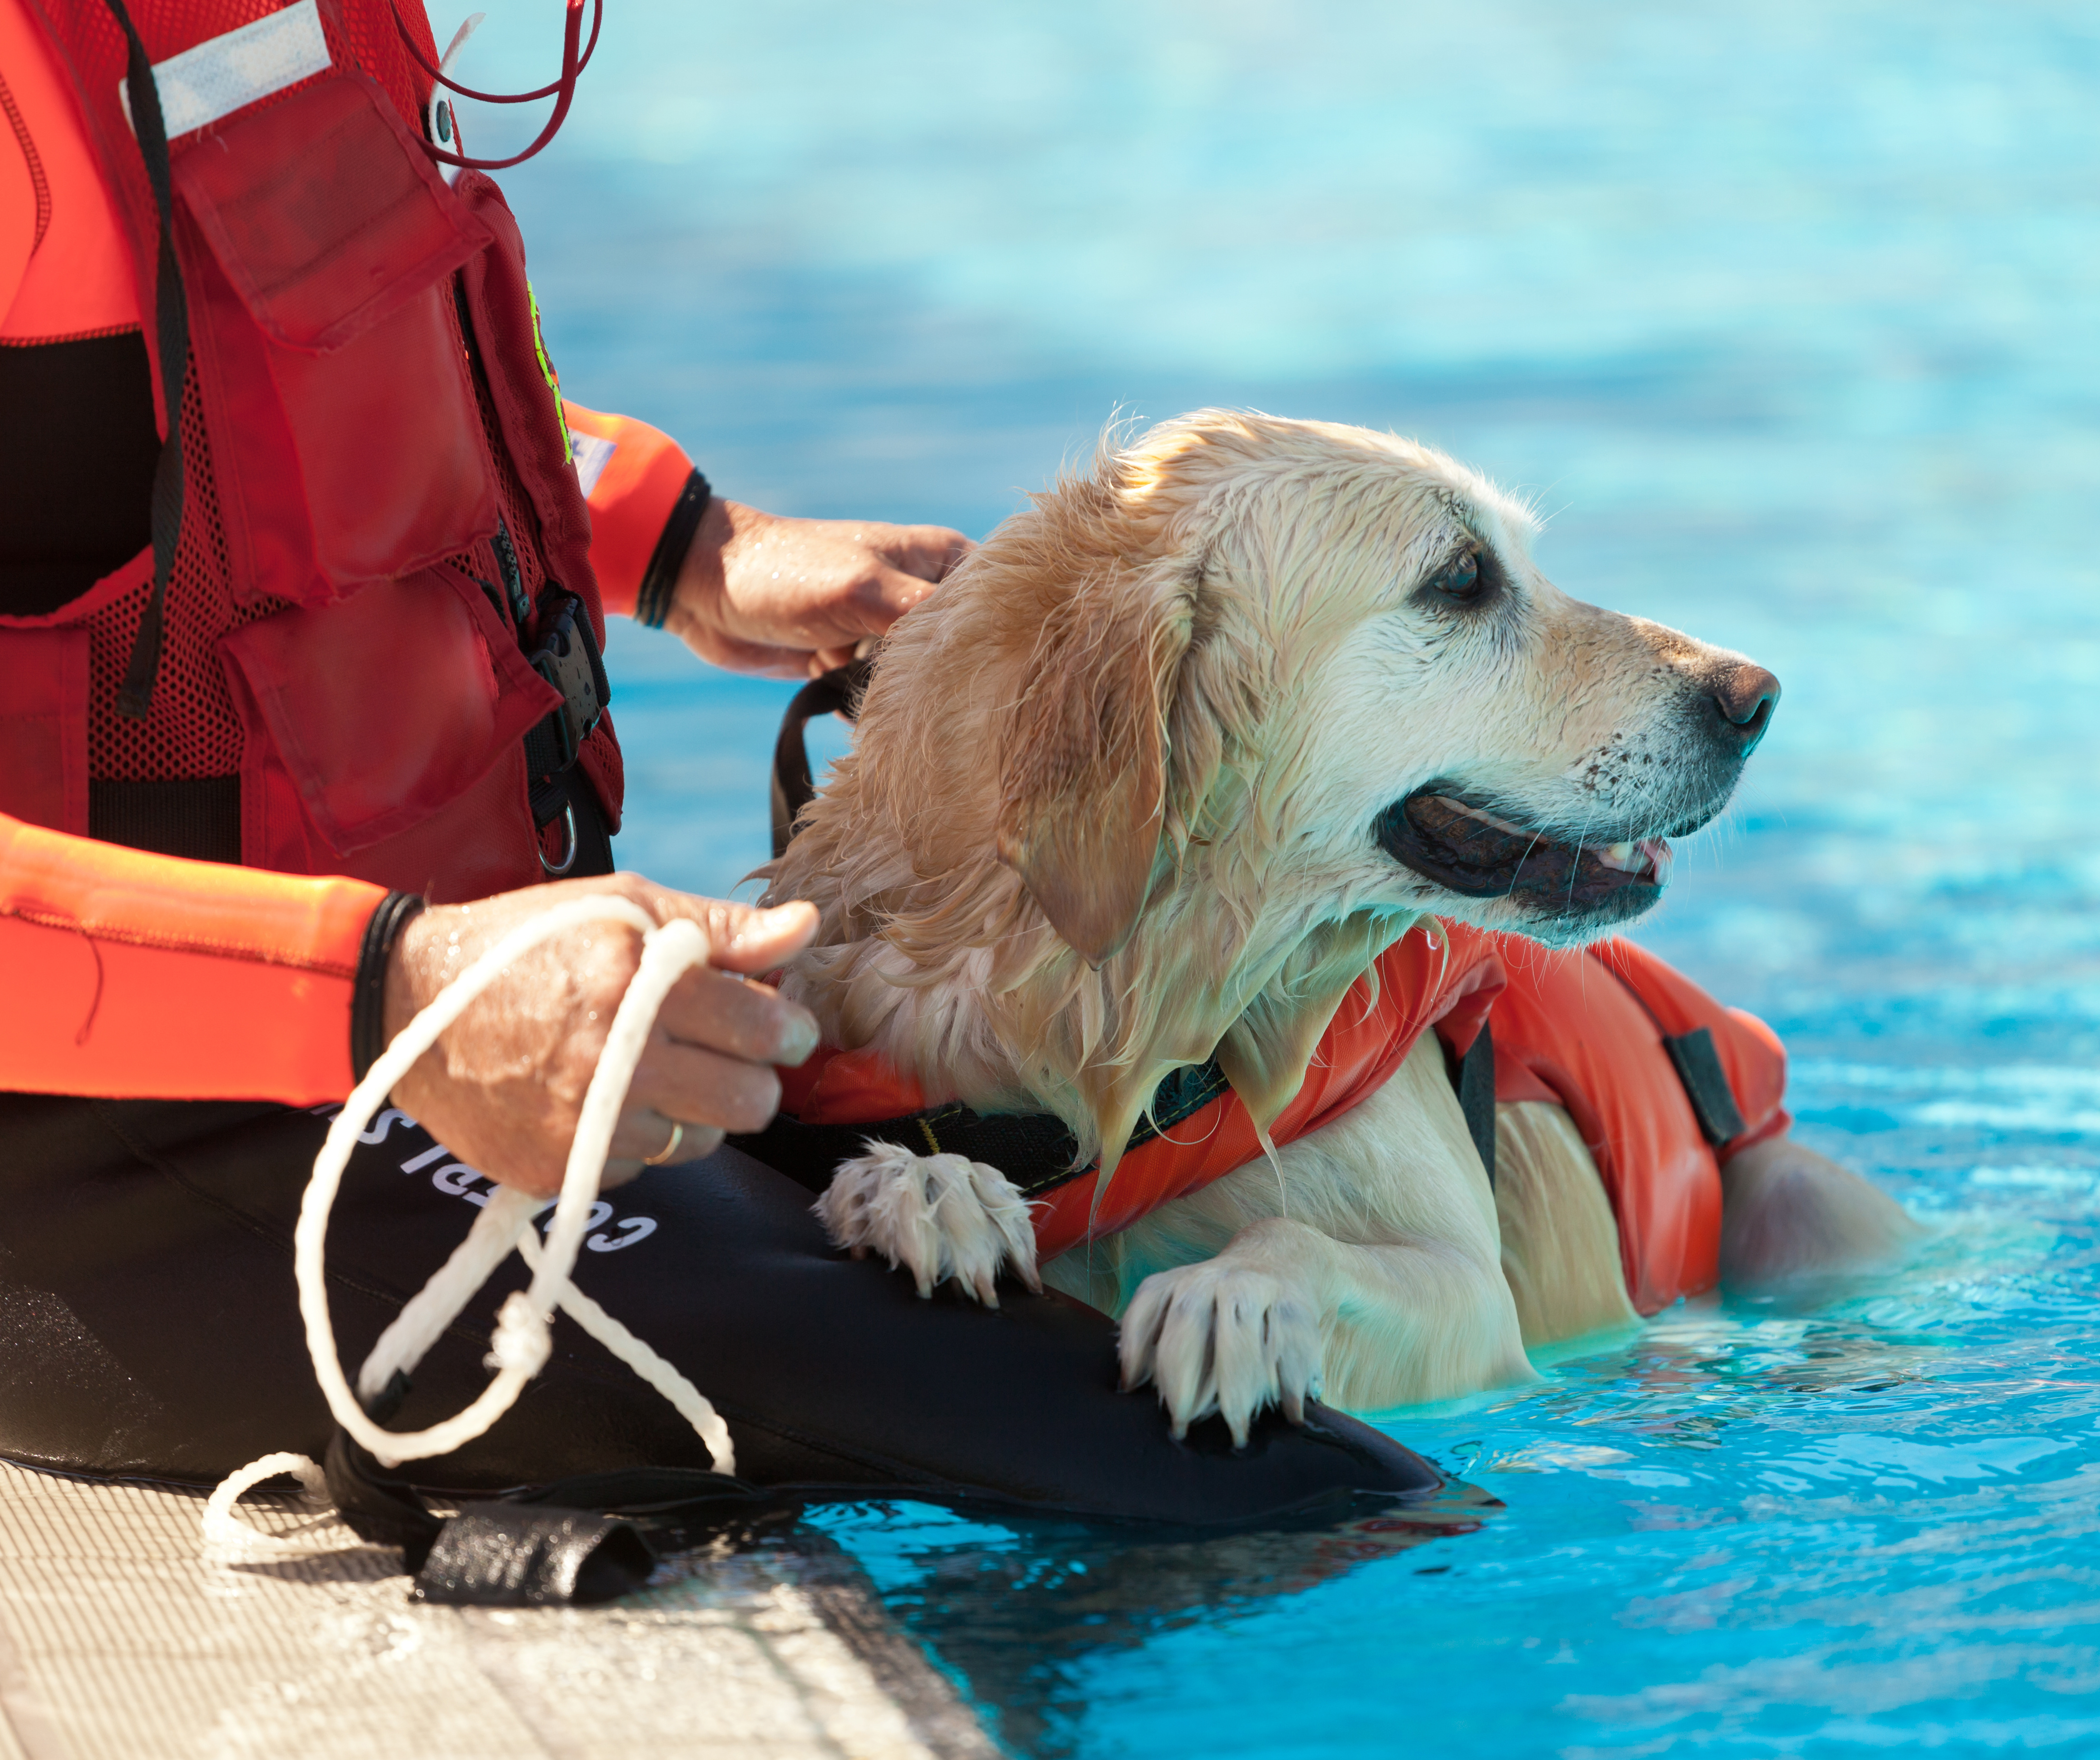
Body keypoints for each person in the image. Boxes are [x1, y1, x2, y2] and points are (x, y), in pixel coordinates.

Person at [0, 0, 1440, 1523]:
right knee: (1262, 1480)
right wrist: (392, 988)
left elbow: (242, 397)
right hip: (124, 1133)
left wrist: (683, 540)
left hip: (420, 1014)